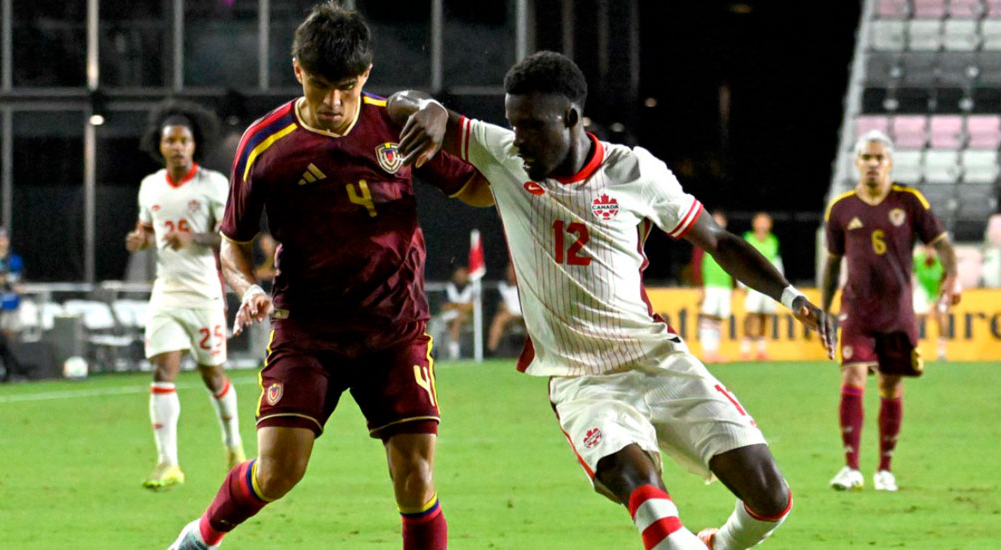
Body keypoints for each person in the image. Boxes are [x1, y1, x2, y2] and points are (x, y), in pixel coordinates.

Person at [392, 51, 835, 550]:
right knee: (650, 501)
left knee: (772, 498)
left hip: (656, 359)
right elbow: (399, 104)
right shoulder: (505, 155)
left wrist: (793, 297)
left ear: (571, 118)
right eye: (513, 124)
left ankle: (719, 544)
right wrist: (430, 110)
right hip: (583, 380)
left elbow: (718, 240)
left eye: (532, 126)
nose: (519, 138)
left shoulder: (635, 172)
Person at [167, 4, 488, 549]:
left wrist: (526, 184)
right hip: (307, 331)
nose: (334, 102)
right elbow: (233, 242)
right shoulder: (264, 144)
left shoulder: (397, 126)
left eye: (347, 87)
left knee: (416, 478)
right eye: (321, 86)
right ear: (298, 71)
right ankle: (198, 539)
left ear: (366, 74)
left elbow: (474, 187)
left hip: (395, 328)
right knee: (278, 473)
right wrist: (247, 289)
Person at [821, 130, 959, 493]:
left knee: (889, 383)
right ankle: (851, 468)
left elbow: (941, 244)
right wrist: (824, 307)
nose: (872, 164)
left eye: (879, 158)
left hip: (897, 312)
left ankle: (885, 469)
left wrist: (952, 277)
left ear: (890, 163)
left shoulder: (908, 201)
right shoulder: (841, 208)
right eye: (866, 157)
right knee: (852, 374)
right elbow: (832, 264)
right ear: (857, 162)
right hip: (856, 310)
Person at [125, 99, 246, 490]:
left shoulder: (213, 185)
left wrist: (193, 237)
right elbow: (147, 230)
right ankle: (167, 463)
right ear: (159, 145)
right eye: (170, 141)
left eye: (184, 140)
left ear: (195, 144)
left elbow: (227, 236)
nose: (177, 147)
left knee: (212, 375)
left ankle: (233, 446)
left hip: (204, 293)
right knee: (163, 371)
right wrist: (140, 240)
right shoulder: (150, 186)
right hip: (166, 293)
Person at [739, 213, 782, 361]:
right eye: (760, 221)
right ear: (754, 223)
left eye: (766, 222)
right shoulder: (748, 238)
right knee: (751, 315)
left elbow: (777, 263)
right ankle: (745, 349)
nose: (763, 225)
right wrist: (741, 282)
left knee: (765, 316)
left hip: (768, 284)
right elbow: (740, 260)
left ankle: (761, 349)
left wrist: (779, 284)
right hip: (752, 283)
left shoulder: (773, 241)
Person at [694, 211, 735, 363]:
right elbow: (697, 264)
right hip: (710, 286)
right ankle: (706, 351)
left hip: (725, 286)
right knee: (708, 316)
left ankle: (715, 352)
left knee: (718, 319)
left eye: (720, 221)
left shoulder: (728, 243)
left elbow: (733, 266)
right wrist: (700, 285)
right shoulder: (702, 240)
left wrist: (733, 286)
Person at [912, 244, 948, 361]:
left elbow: (945, 283)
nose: (929, 251)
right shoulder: (917, 260)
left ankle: (941, 352)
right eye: (927, 248)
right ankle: (914, 350)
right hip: (922, 291)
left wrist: (936, 301)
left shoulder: (941, 262)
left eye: (932, 248)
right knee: (916, 319)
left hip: (938, 292)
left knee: (942, 319)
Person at [487, 263, 524, 355]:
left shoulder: (525, 287)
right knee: (498, 319)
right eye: (509, 271)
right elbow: (500, 305)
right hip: (509, 315)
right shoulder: (502, 287)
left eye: (513, 271)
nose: (511, 273)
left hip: (524, 316)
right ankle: (491, 351)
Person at [440, 265, 474, 359]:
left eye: (462, 274)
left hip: (468, 318)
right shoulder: (448, 288)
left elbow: (473, 307)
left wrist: (455, 305)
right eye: (458, 274)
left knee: (457, 320)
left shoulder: (472, 288)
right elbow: (444, 307)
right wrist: (462, 306)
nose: (460, 277)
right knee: (452, 322)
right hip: (448, 318)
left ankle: (454, 351)